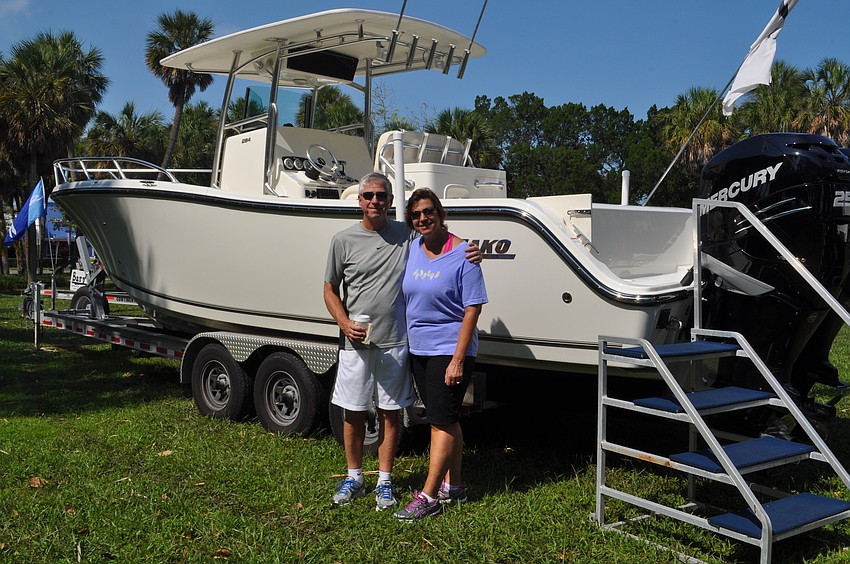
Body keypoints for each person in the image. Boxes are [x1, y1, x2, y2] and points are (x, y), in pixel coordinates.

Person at [323, 173, 479, 511]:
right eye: (368, 195)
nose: (374, 201)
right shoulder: (342, 240)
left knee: (390, 413)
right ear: (359, 200)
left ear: (390, 201)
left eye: (381, 195)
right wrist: (344, 322)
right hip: (356, 342)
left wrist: (473, 249)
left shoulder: (407, 236)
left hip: (396, 342)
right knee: (352, 411)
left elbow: (444, 242)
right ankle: (353, 477)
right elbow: (329, 288)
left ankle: (384, 482)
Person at [393, 188, 487, 522]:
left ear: (441, 212)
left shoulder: (464, 254)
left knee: (439, 422)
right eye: (416, 214)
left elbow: (472, 309)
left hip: (449, 349)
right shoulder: (413, 249)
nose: (423, 218)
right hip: (419, 348)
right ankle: (455, 487)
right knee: (447, 417)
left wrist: (458, 359)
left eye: (428, 211)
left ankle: (429, 495)